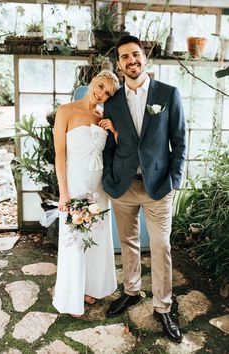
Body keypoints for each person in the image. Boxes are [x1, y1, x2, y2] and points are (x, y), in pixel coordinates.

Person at [102, 35, 186, 343]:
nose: (131, 60)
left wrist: (173, 181)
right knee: (128, 243)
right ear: (119, 63)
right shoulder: (110, 103)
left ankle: (163, 307)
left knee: (161, 247)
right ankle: (132, 291)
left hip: (158, 186)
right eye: (124, 57)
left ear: (144, 57)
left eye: (135, 54)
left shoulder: (168, 94)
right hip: (123, 185)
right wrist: (109, 178)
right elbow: (109, 145)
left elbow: (179, 141)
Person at [52, 70, 119, 317]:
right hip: (75, 186)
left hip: (99, 190)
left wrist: (113, 131)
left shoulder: (104, 116)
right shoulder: (66, 111)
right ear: (93, 81)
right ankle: (72, 292)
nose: (100, 93)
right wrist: (64, 194)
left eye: (107, 93)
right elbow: (60, 156)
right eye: (100, 86)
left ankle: (90, 286)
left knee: (96, 241)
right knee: (75, 241)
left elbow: (118, 150)